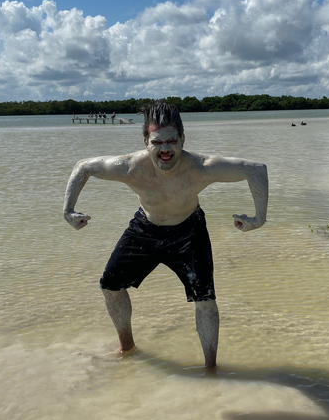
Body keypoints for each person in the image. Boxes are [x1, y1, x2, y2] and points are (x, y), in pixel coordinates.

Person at [63, 100, 268, 368]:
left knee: (205, 301)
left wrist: (259, 219)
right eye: (157, 142)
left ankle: (211, 369)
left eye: (171, 140)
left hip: (189, 232)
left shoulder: (203, 167)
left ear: (182, 139)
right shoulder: (129, 167)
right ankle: (127, 348)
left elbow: (255, 169)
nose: (166, 149)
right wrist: (68, 211)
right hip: (144, 229)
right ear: (146, 141)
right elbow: (83, 166)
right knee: (110, 287)